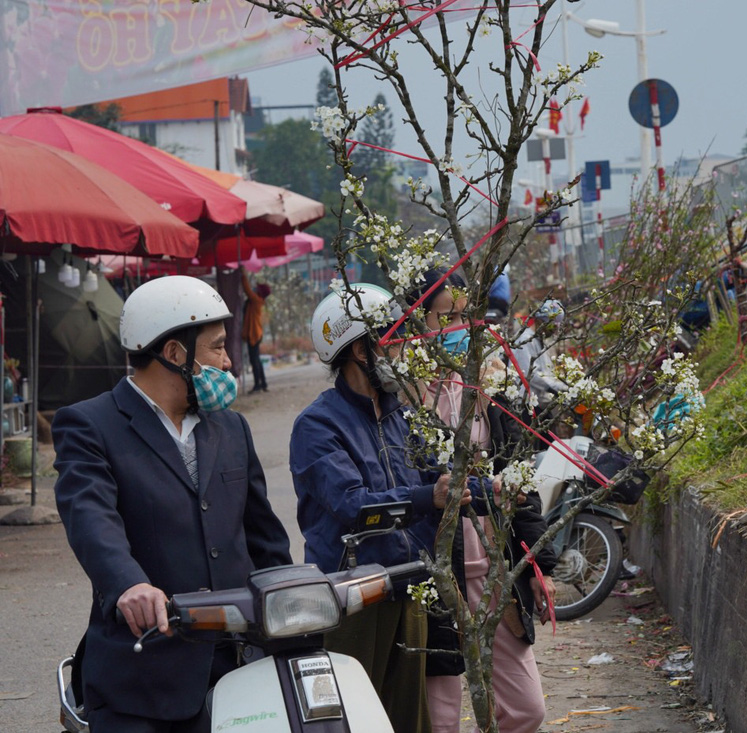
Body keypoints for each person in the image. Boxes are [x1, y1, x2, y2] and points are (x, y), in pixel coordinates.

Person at [52, 275, 292, 733]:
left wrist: (291, 607)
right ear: (175, 353)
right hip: (144, 675)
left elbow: (265, 540)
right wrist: (127, 585)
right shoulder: (90, 425)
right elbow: (89, 515)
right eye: (218, 348)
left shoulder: (231, 428)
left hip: (239, 672)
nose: (228, 361)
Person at [290, 282, 495, 733]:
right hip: (355, 597)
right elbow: (353, 506)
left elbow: (440, 481)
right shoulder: (318, 426)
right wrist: (430, 497)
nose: (404, 351)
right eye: (394, 340)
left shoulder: (402, 416)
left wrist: (498, 491)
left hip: (409, 587)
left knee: (409, 721)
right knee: (356, 721)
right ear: (360, 350)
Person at [411, 270, 556, 733]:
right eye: (445, 318)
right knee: (443, 720)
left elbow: (519, 482)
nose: (457, 328)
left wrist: (538, 565)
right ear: (418, 325)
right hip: (439, 578)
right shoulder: (401, 399)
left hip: (496, 571)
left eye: (463, 316)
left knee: (527, 710)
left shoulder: (489, 390)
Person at [241, 270, 271, 393]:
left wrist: (243, 275)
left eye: (257, 288)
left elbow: (247, 290)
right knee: (256, 360)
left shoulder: (256, 300)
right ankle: (263, 383)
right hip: (255, 334)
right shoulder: (258, 301)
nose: (254, 289)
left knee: (254, 361)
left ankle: (258, 385)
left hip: (254, 334)